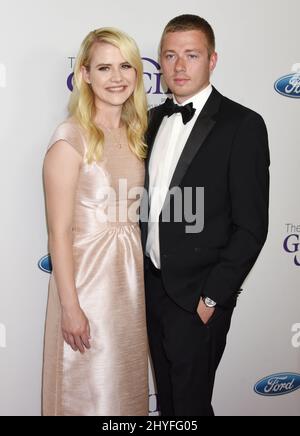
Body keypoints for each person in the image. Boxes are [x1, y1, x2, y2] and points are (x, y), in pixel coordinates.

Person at [141, 14, 270, 416]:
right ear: (160, 61)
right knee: (167, 403)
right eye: (170, 55)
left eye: (191, 55)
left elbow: (251, 228)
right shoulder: (152, 120)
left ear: (212, 60)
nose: (179, 66)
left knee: (191, 409)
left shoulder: (243, 124)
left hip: (198, 297)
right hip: (152, 290)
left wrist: (212, 297)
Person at [42, 27, 149, 416]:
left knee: (125, 391)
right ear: (84, 74)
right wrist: (71, 307)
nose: (116, 77)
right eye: (104, 67)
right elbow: (59, 233)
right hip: (87, 287)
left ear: (137, 74)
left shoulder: (136, 134)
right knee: (91, 393)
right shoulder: (70, 138)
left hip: (129, 285)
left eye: (125, 66)